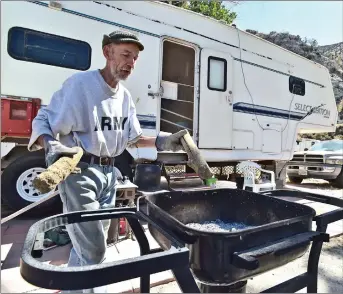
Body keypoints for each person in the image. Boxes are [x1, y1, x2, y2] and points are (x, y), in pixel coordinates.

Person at [28, 30, 187, 293]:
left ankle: (74, 289)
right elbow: (43, 118)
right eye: (125, 54)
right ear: (107, 52)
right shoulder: (80, 85)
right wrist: (50, 143)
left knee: (87, 244)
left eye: (135, 58)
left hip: (109, 174)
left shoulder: (124, 97)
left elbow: (133, 139)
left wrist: (162, 141)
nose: (130, 63)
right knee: (95, 249)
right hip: (80, 173)